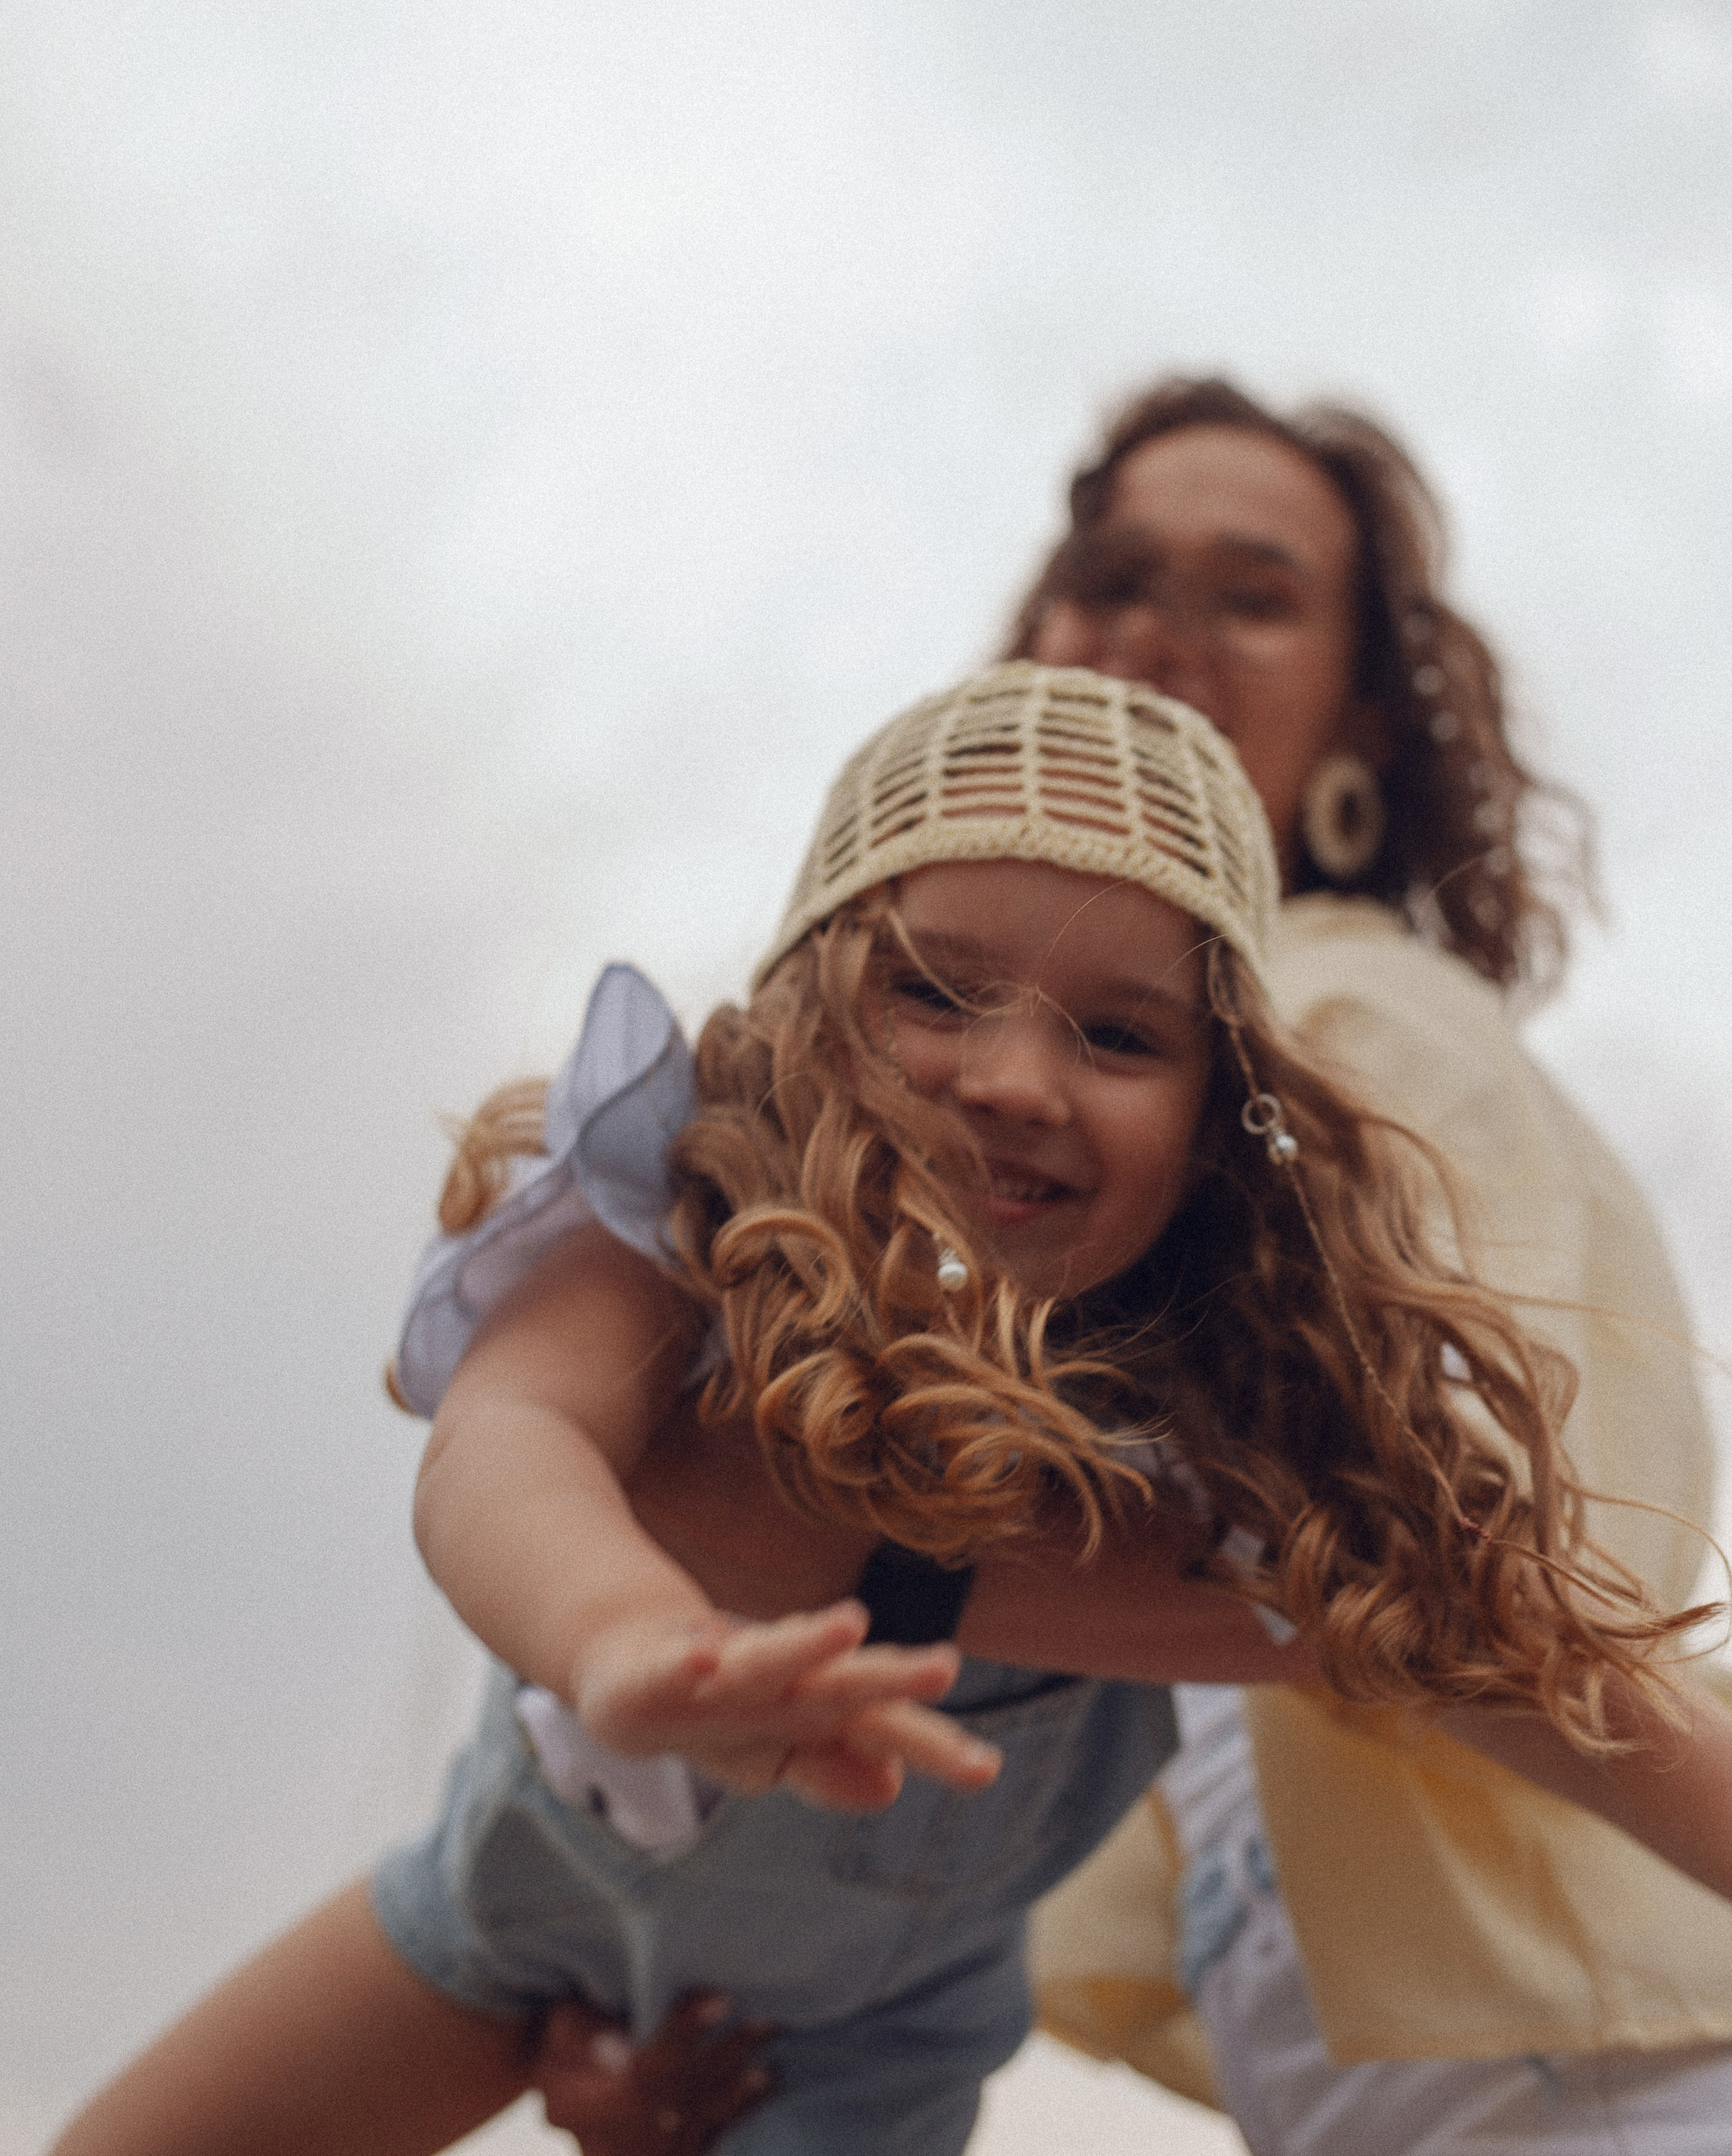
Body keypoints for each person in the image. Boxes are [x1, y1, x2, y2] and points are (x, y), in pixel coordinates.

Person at [49, 663, 1727, 2156]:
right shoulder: (676, 1231)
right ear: (802, 1010)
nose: (1011, 1076)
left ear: (1220, 1125)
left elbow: (1553, 1689)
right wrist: (627, 1638)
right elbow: (504, 1445)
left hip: (854, 2055)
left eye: (1118, 1034)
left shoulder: (1186, 1464)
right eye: (932, 992)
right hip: (506, 1922)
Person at [1007, 378, 1732, 2149]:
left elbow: (1441, 1550)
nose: (1160, 638)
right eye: (1112, 575)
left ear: (1362, 732)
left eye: (1252, 596)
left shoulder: (1336, 1017)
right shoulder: (1049, 1122)